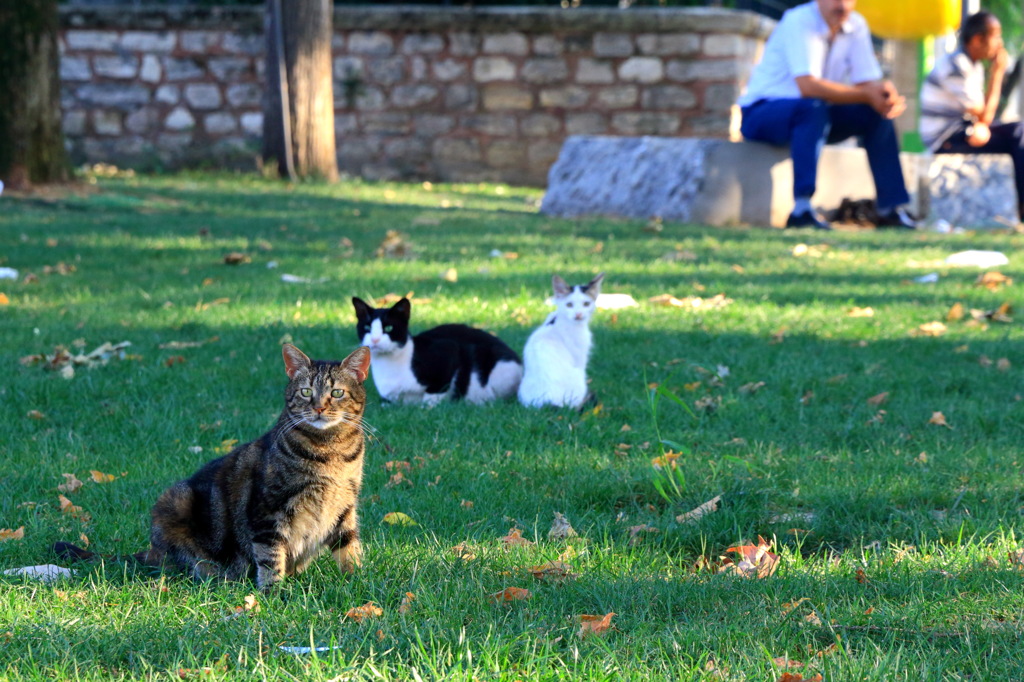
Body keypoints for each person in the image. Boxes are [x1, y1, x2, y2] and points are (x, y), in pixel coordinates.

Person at [737, 0, 917, 230]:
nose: (841, 4)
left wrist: (882, 96)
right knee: (812, 107)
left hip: (813, 117)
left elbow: (866, 84)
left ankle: (889, 209)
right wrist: (868, 93)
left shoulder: (856, 25)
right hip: (761, 114)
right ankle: (801, 209)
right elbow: (808, 86)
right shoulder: (799, 20)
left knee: (874, 114)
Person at [920, 11, 1023, 224]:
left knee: (1018, 131)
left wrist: (981, 125)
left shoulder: (971, 65)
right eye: (996, 36)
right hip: (945, 138)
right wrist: (997, 73)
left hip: (962, 130)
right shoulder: (956, 65)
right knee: (1018, 133)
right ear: (977, 40)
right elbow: (985, 115)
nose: (999, 43)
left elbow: (982, 118)